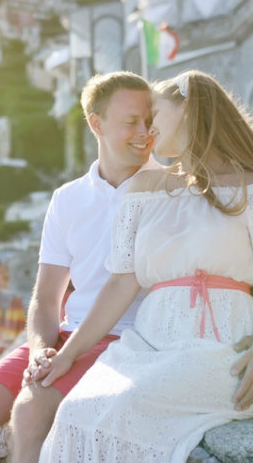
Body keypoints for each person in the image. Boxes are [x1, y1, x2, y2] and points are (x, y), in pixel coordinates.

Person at [38, 70, 253, 463]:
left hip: (221, 344)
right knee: (75, 412)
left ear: (187, 111)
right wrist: (69, 352)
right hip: (148, 343)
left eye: (154, 111)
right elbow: (121, 284)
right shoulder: (144, 191)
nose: (148, 125)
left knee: (126, 406)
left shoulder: (249, 185)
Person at [0, 70, 158, 463]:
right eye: (131, 122)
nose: (144, 131)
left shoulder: (168, 188)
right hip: (65, 337)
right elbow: (45, 299)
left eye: (150, 121)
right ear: (96, 123)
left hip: (126, 340)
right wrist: (41, 349)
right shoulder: (67, 198)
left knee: (31, 407)